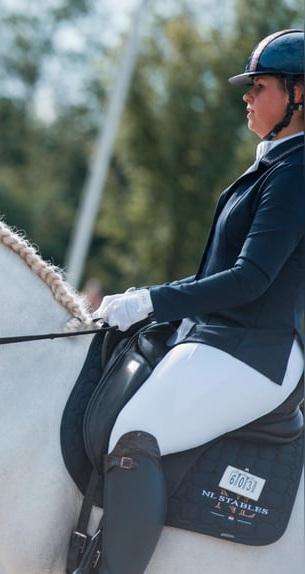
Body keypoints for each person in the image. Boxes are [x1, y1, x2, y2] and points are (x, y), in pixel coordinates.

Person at [92, 29, 305, 574]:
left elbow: (251, 279)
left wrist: (152, 302)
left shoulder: (297, 172)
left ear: (299, 94)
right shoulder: (275, 165)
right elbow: (220, 273)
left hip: (253, 351)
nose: (248, 97)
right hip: (219, 338)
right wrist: (152, 303)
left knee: (134, 436)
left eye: (259, 86)